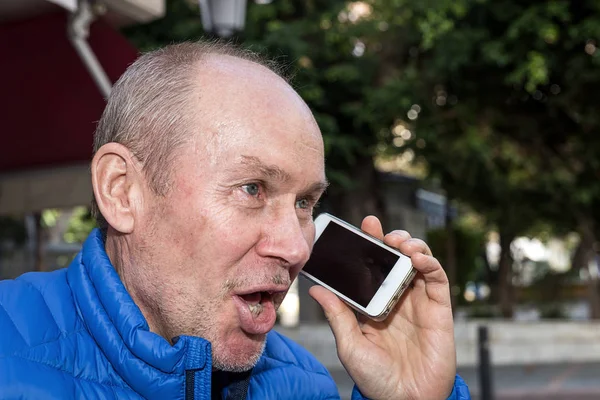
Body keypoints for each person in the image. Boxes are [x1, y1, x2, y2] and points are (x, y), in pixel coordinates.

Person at [0, 41, 470, 400]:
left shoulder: (305, 385)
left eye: (305, 203)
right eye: (253, 189)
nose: (296, 248)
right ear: (123, 191)